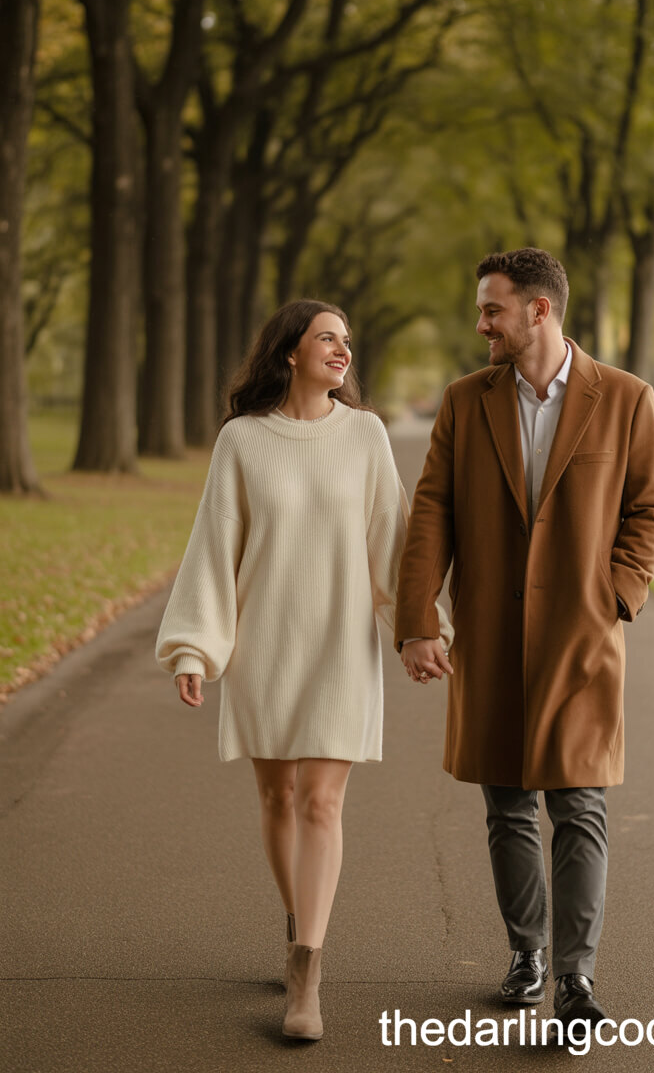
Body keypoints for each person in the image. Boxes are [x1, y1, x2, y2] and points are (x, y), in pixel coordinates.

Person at [155, 299, 452, 1041]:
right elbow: (213, 549)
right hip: (264, 646)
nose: (343, 350)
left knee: (321, 802)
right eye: (327, 338)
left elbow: (393, 543)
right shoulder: (242, 440)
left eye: (347, 340)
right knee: (278, 798)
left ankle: (305, 974)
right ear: (290, 351)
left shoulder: (365, 435)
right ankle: (298, 921)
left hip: (339, 647)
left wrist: (419, 629)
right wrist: (194, 647)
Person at [395, 248, 654, 1030]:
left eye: (493, 310)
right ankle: (528, 955)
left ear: (538, 311)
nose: (482, 324)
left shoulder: (625, 398)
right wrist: (418, 622)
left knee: (579, 802)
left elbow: (652, 506)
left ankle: (577, 978)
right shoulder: (465, 401)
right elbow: (432, 512)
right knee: (508, 803)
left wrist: (616, 594)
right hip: (489, 633)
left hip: (582, 637)